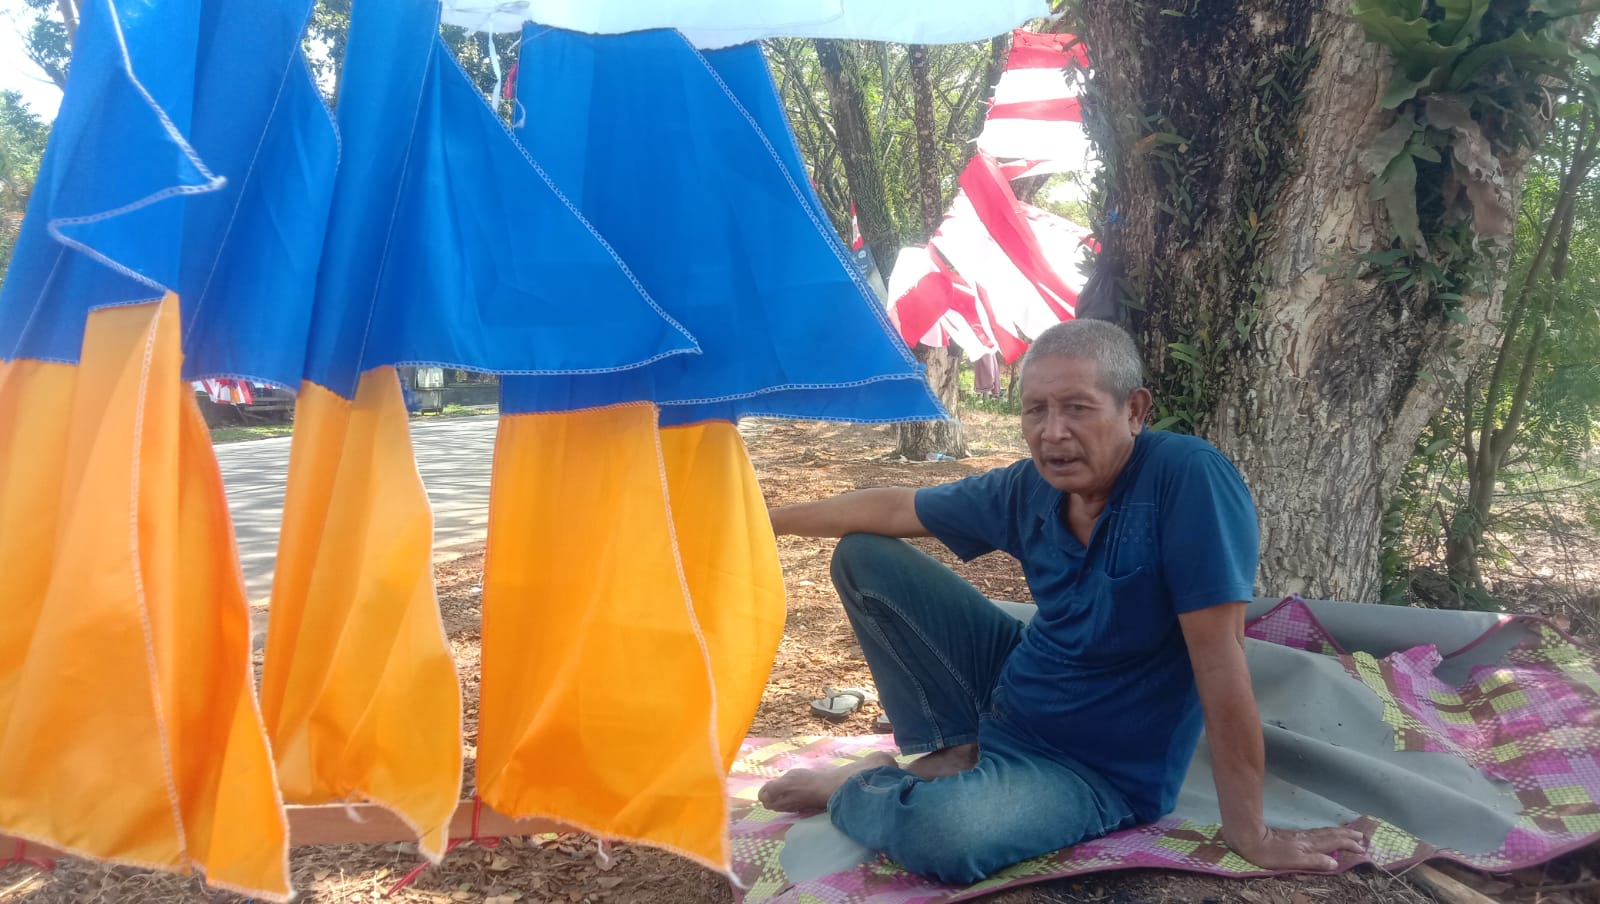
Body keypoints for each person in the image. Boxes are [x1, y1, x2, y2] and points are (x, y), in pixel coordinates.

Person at [758, 319, 1364, 884]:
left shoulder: (1186, 479)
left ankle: (862, 786)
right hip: (1009, 686)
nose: (1053, 433)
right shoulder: (1030, 487)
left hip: (1089, 768)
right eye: (1035, 411)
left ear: (1134, 410)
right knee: (865, 556)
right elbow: (897, 507)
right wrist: (762, 522)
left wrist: (1249, 831)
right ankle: (953, 748)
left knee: (941, 835)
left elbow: (1220, 660)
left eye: (1077, 408)